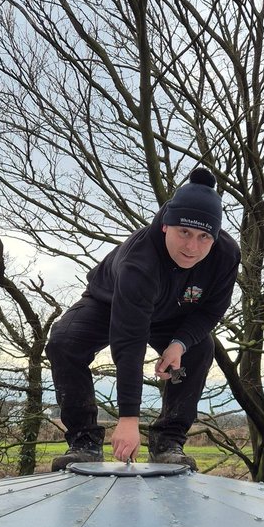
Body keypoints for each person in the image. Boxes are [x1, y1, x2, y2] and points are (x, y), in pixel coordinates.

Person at [46, 166, 240, 471]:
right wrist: (128, 418)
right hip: (110, 302)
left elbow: (210, 310)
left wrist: (178, 343)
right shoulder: (140, 262)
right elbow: (130, 342)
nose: (192, 247)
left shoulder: (226, 256)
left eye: (204, 237)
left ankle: (168, 442)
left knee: (200, 348)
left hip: (173, 313)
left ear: (214, 238)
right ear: (166, 225)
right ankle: (84, 442)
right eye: (184, 232)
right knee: (64, 341)